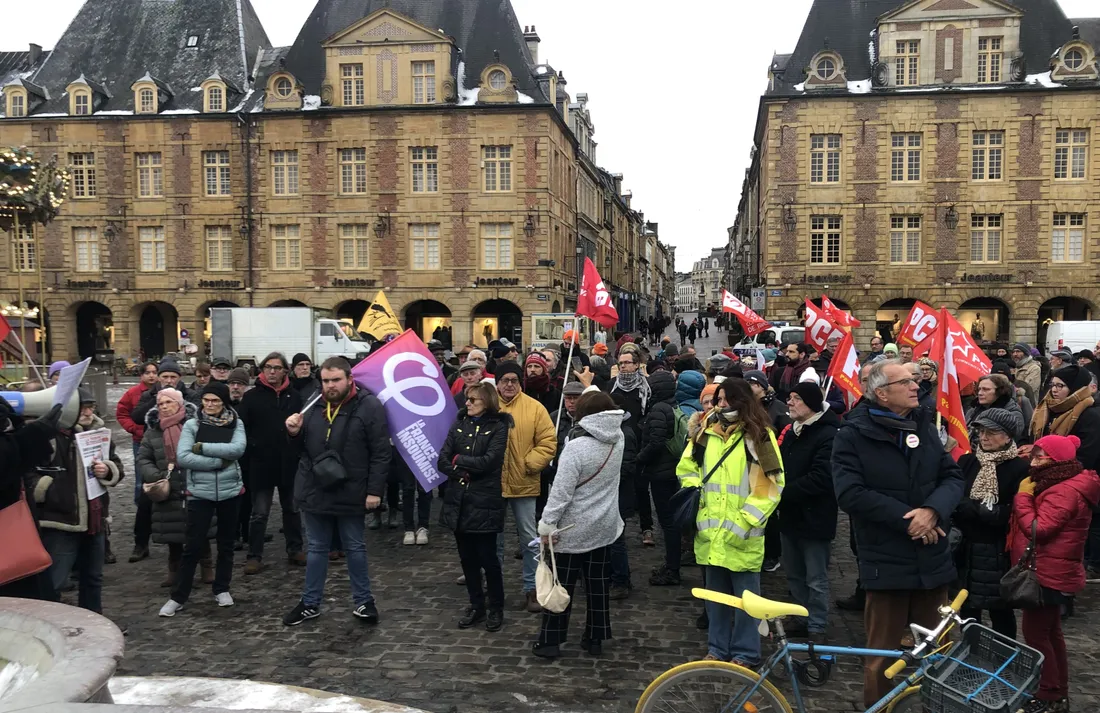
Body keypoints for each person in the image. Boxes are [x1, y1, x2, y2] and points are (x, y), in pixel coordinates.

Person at [833, 359, 965, 707]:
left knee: (941, 654)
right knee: (881, 659)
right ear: (881, 393)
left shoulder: (924, 424)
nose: (916, 387)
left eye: (916, 381)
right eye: (906, 381)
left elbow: (951, 477)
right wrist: (909, 520)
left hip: (932, 560)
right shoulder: (852, 433)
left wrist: (932, 511)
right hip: (886, 562)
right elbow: (850, 493)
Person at [678, 378, 784, 664]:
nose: (721, 405)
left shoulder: (759, 436)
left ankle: (746, 653)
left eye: (726, 400)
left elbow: (771, 485)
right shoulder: (703, 433)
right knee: (715, 600)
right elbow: (686, 468)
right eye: (718, 399)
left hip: (742, 535)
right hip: (710, 531)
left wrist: (747, 519)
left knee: (747, 601)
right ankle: (717, 648)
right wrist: (697, 501)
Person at [282, 357, 391, 626]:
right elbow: (298, 452)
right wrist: (293, 433)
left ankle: (364, 602)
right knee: (317, 548)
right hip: (315, 489)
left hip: (352, 489)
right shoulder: (312, 403)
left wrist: (375, 491)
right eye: (326, 381)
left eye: (335, 380)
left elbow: (380, 452)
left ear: (349, 379)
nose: (330, 386)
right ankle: (310, 603)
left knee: (355, 548)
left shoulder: (369, 405)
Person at [532, 390, 625, 659]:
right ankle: (595, 637)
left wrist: (547, 525)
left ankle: (551, 641)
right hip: (604, 524)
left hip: (571, 530)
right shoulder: (618, 438)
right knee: (597, 586)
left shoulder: (576, 447)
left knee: (560, 584)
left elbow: (561, 493)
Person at [1011, 434, 1100, 712]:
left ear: (1056, 460)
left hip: (1047, 572)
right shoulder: (1063, 482)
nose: (1034, 461)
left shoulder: (1062, 490)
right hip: (1054, 568)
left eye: (1040, 456)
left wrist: (1023, 497)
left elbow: (1040, 529)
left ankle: (1049, 693)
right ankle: (1057, 691)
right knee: (1051, 632)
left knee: (1036, 633)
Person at [158, 381, 246, 617]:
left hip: (230, 491)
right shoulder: (191, 424)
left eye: (215, 400)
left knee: (227, 544)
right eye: (206, 400)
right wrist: (218, 462)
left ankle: (222, 588)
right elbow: (184, 457)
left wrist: (202, 448)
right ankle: (178, 596)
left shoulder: (236, 423)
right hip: (199, 493)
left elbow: (237, 450)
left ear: (223, 402)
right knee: (193, 546)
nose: (210, 404)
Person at [32, 389, 124, 612]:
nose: (88, 412)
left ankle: (94, 623)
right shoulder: (48, 435)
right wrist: (48, 490)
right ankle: (51, 626)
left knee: (93, 579)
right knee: (56, 581)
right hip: (62, 520)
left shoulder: (99, 433)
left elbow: (117, 466)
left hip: (95, 519)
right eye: (82, 407)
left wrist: (108, 470)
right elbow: (28, 473)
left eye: (91, 407)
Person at [439, 382, 512, 631]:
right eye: (468, 399)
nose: (467, 403)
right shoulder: (460, 423)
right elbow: (442, 459)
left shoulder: (499, 426)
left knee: (488, 560)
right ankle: (476, 604)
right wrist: (461, 471)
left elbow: (490, 461)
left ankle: (495, 606)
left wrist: (460, 461)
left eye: (473, 400)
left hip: (485, 502)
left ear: (487, 402)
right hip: (459, 501)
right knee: (467, 559)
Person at [953, 408, 1029, 640]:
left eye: (991, 432)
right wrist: (966, 507)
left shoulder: (1020, 468)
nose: (984, 437)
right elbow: (954, 493)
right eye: (981, 431)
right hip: (967, 545)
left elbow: (1018, 511)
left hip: (999, 549)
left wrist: (985, 511)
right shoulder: (968, 461)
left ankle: (1003, 655)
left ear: (1008, 436)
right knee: (966, 606)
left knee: (1000, 609)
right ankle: (969, 651)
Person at [777, 382, 841, 640]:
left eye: (796, 399)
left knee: (815, 576)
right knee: (793, 573)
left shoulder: (829, 434)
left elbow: (821, 478)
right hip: (791, 515)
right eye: (790, 397)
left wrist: (780, 492)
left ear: (811, 404)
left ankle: (816, 624)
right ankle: (800, 616)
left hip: (815, 516)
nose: (790, 403)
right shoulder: (793, 431)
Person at [494, 361, 557, 613]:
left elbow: (548, 441)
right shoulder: (488, 406)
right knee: (493, 541)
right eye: (505, 380)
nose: (510, 385)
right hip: (493, 484)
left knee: (529, 541)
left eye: (514, 380)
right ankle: (494, 586)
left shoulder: (534, 407)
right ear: (497, 382)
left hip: (524, 483)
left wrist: (529, 464)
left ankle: (532, 589)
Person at [138, 388, 213, 589]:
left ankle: (207, 567)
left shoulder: (195, 426)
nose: (164, 406)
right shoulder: (153, 431)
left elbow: (207, 450)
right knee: (173, 534)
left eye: (168, 402)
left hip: (194, 483)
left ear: (179, 403)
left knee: (200, 529)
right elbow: (143, 458)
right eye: (161, 403)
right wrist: (157, 476)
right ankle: (174, 571)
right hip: (168, 488)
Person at [237, 352, 305, 573]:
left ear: (285, 370)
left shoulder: (295, 397)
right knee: (259, 513)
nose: (272, 371)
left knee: (292, 509)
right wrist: (252, 450)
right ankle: (254, 555)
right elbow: (242, 429)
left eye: (277, 367)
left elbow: (303, 429)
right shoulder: (251, 397)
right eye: (268, 367)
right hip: (261, 464)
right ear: (262, 370)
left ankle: (295, 549)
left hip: (288, 463)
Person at [638, 371, 687, 586]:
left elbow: (656, 442)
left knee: (668, 523)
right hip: (670, 470)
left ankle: (672, 568)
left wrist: (639, 459)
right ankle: (671, 564)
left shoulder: (659, 408)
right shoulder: (672, 405)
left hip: (662, 472)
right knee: (669, 522)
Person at [117, 360, 158, 563]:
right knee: (142, 482)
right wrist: (135, 429)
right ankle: (142, 522)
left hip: (164, 443)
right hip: (140, 441)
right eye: (147, 372)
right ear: (141, 375)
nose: (151, 376)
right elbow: (122, 413)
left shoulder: (167, 392)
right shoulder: (134, 393)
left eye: (154, 372)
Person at [1030, 365, 1100, 471]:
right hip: (1037, 465)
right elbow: (1029, 434)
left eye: (1060, 386)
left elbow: (1085, 456)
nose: (1054, 390)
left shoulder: (1090, 415)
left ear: (1075, 388)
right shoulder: (1045, 407)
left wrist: (1050, 468)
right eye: (1052, 385)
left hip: (1067, 474)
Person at [132, 358, 201, 425]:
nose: (169, 381)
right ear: (158, 378)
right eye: (165, 377)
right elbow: (137, 419)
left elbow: (197, 419)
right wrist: (156, 400)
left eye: (173, 377)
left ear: (179, 378)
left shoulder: (191, 394)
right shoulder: (149, 394)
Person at [966, 374, 1027, 447]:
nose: (980, 393)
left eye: (986, 389)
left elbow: (1012, 442)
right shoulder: (973, 411)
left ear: (999, 391)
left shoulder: (1013, 413)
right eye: (979, 389)